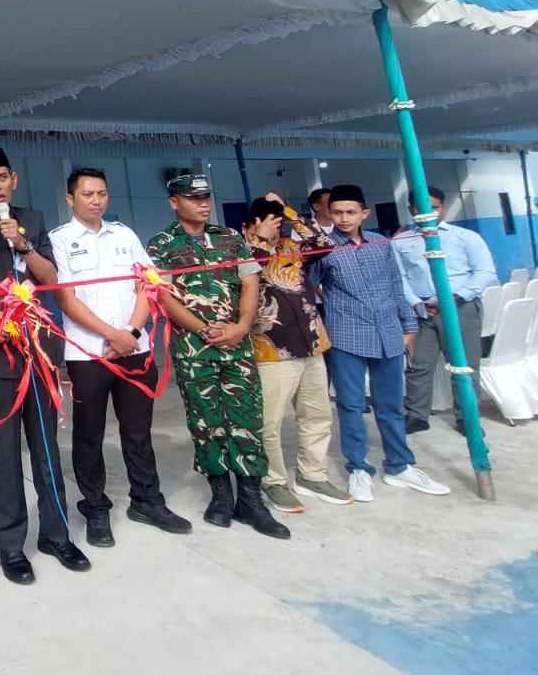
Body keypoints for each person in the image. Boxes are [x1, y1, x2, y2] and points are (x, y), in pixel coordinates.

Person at [0, 146, 90, 584]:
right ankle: (10, 545)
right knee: (2, 454)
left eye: (1, 178)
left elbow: (51, 278)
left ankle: (57, 535)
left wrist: (21, 241)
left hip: (38, 352)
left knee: (45, 447)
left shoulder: (35, 219)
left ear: (14, 180)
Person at [48, 168, 191, 545]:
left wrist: (129, 332)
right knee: (89, 434)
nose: (96, 200)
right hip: (88, 354)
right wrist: (112, 334)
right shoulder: (60, 241)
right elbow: (66, 298)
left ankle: (146, 499)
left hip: (135, 348)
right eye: (88, 194)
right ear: (70, 199)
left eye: (102, 193)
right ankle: (95, 508)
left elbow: (149, 283)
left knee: (138, 430)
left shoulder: (124, 235)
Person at [146, 174, 290, 540]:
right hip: (195, 349)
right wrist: (203, 330)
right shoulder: (160, 245)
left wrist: (242, 326)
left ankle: (252, 501)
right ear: (174, 203)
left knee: (246, 418)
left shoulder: (230, 238)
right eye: (193, 198)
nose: (203, 203)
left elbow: (250, 284)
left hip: (238, 344)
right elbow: (163, 296)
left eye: (206, 196)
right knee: (206, 422)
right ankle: (221, 496)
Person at [310, 184, 450, 502]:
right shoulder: (323, 248)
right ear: (328, 214)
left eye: (350, 212)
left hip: (388, 334)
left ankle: (400, 466)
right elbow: (308, 286)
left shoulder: (381, 244)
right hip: (346, 337)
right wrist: (332, 307)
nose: (344, 219)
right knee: (351, 405)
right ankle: (358, 469)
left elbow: (396, 285)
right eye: (337, 212)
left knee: (390, 405)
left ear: (364, 213)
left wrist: (409, 326)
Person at [240, 195, 351, 511]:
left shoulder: (291, 248)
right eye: (266, 222)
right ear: (247, 226)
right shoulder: (239, 254)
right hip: (271, 351)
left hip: (312, 345)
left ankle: (312, 475)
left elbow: (324, 242)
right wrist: (260, 240)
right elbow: (247, 272)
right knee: (269, 423)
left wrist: (289, 212)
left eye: (276, 224)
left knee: (317, 416)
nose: (273, 230)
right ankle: (273, 481)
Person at [396, 186, 497, 433]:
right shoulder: (401, 240)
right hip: (423, 311)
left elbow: (485, 272)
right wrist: (416, 304)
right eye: (421, 209)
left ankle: (466, 418)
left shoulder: (465, 237)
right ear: (411, 209)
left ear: (444, 208)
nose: (428, 214)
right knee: (419, 365)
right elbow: (399, 277)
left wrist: (457, 297)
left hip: (460, 308)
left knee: (463, 365)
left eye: (435, 208)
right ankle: (417, 415)